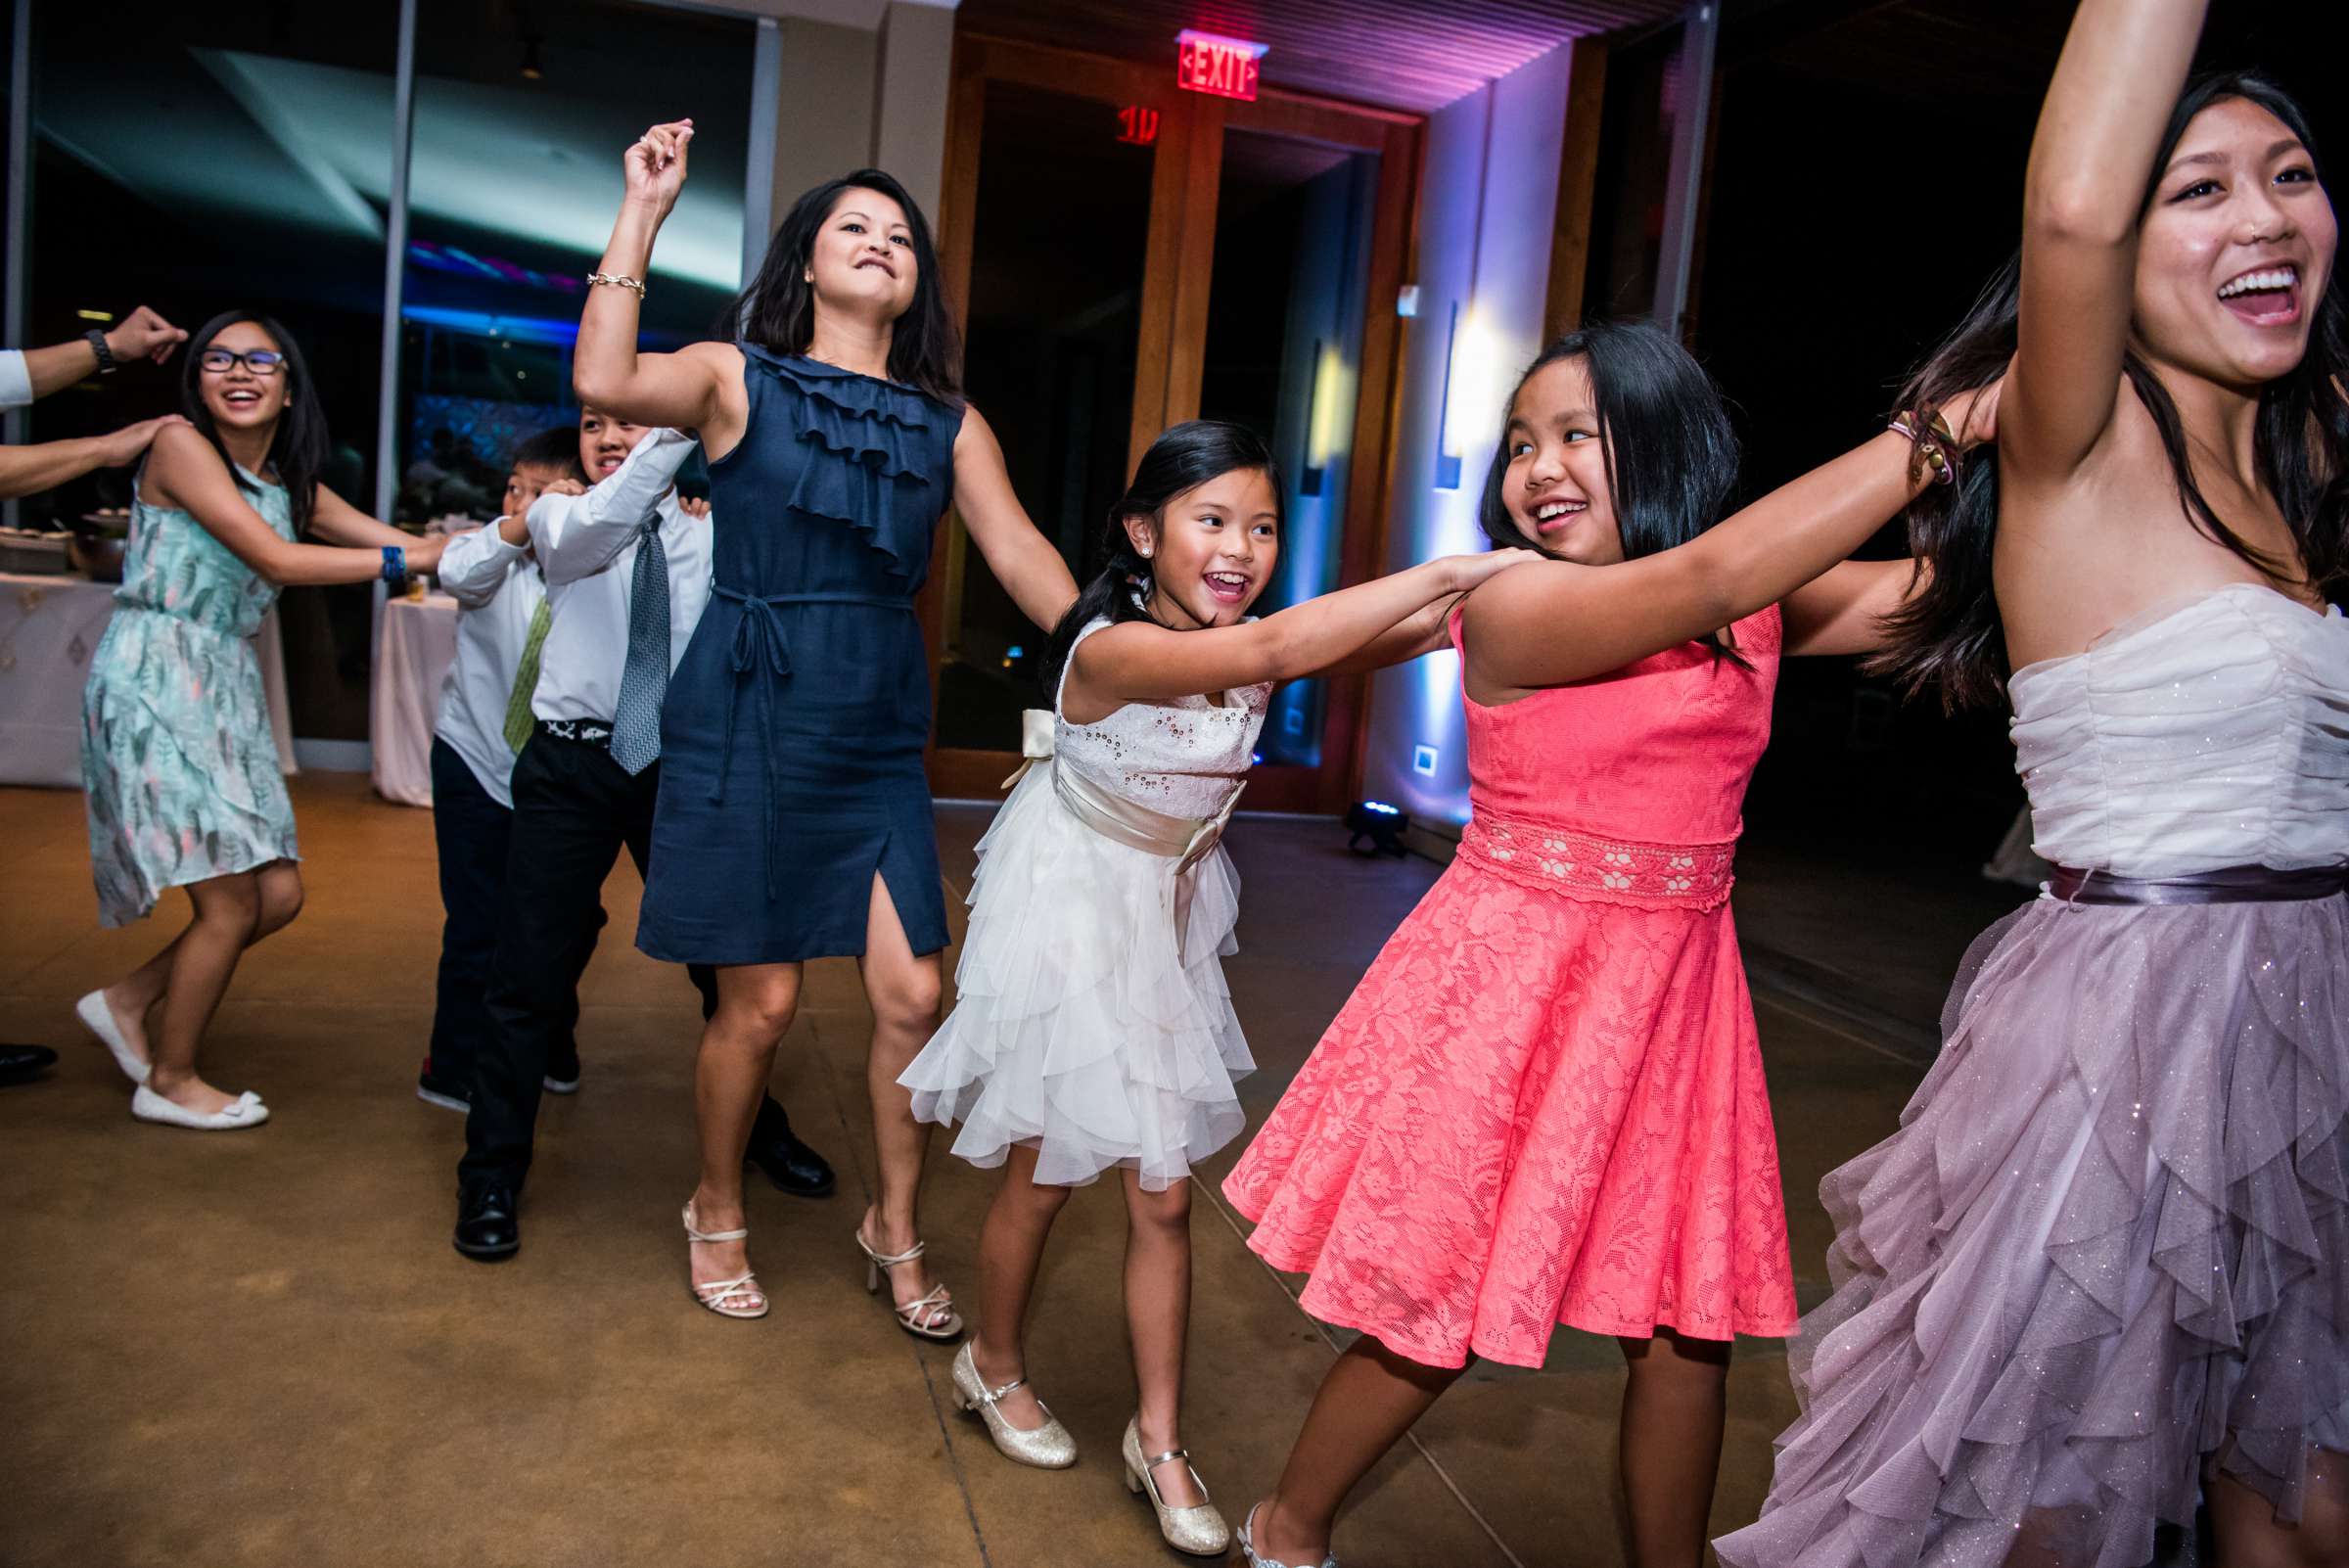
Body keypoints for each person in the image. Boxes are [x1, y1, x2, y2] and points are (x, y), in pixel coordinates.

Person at [1716, 4, 2345, 1562]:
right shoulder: (2082, 442)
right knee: (2040, 1506)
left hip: (2316, 1028)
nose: (2262, 215)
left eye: (2291, 174)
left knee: (2301, 1491)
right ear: (2113, 265)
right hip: (2133, 1031)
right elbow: (2069, 199)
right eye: (2197, 189)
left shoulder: (2310, 459)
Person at [1221, 321, 1999, 1568]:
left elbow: (1935, 595)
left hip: (1674, 1001)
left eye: (1576, 434)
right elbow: (1708, 578)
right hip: (1513, 987)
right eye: (1522, 444)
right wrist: (1948, 423)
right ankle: (1288, 1529)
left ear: (1662, 443)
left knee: (1689, 1325)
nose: (1538, 467)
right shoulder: (1517, 603)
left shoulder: (1752, 610)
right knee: (1438, 1301)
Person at [897, 421, 1526, 1554]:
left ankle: (1159, 1436)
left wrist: (1533, 587)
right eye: (1212, 521)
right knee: (1047, 1173)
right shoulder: (1113, 650)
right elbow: (1275, 655)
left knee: (1163, 1193)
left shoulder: (1240, 631)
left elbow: (1411, 634)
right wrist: (1447, 566)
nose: (1241, 548)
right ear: (1143, 534)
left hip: (1166, 908)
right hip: (1074, 910)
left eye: (1265, 525)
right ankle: (990, 1366)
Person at [566, 121, 1078, 1326]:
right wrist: (642, 209)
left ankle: (892, 1226)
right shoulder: (735, 375)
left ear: (917, 281)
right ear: (806, 261)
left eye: (900, 236)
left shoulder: (948, 422)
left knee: (914, 995)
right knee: (764, 1003)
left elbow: (1021, 555)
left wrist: (1123, 651)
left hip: (872, 728)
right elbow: (601, 382)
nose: (881, 244)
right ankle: (714, 1201)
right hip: (747, 714)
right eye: (855, 225)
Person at [451, 408, 833, 1265]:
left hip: (682, 770)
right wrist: (542, 506)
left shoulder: (712, 527)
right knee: (527, 974)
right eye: (595, 422)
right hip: (570, 766)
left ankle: (758, 1129)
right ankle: (490, 1176)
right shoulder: (563, 519)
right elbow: (478, 567)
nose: (611, 435)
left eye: (636, 420)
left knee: (728, 972)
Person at [74, 310, 449, 1130]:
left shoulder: (289, 482)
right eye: (219, 359)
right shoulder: (180, 447)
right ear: (198, 382)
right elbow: (277, 561)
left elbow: (404, 541)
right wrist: (409, 561)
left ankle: (128, 1001)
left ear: (288, 388)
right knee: (229, 902)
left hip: (224, 685)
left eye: (260, 361)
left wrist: (514, 535)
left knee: (275, 895)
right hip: (156, 674)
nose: (239, 372)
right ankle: (169, 1079)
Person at [416, 427, 591, 1113]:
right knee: (477, 922)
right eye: (511, 488)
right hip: (474, 756)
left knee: (568, 918)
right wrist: (524, 521)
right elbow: (458, 570)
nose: (516, 503)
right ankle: (451, 1062)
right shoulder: (485, 555)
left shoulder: (599, 565)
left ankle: (549, 1034)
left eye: (539, 492)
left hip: (557, 774)